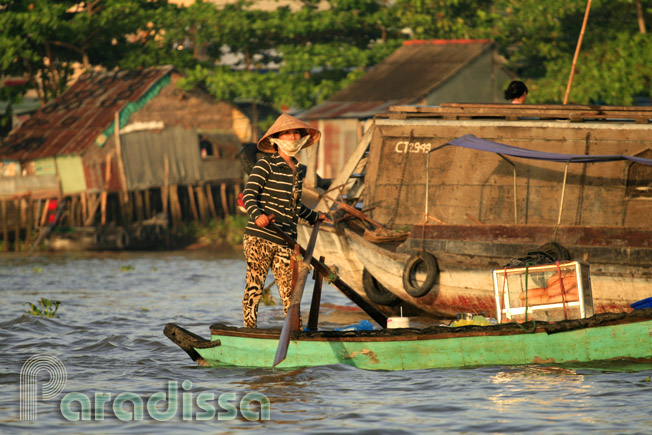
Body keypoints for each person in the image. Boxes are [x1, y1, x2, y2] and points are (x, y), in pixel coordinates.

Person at [241, 113, 328, 328]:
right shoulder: (265, 165)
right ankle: (249, 331)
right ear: (276, 139)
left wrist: (316, 216)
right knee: (255, 288)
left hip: (286, 240)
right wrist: (258, 216)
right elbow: (249, 195)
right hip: (259, 238)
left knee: (291, 292)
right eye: (288, 133)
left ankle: (294, 332)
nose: (294, 136)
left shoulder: (297, 170)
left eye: (296, 133)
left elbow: (295, 206)